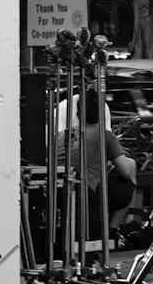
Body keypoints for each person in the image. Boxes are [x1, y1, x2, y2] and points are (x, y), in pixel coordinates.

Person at [57, 85, 137, 235]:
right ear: (101, 112)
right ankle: (112, 230)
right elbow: (125, 172)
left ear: (77, 113)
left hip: (60, 194)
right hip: (87, 195)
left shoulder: (63, 135)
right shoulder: (104, 135)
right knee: (130, 174)